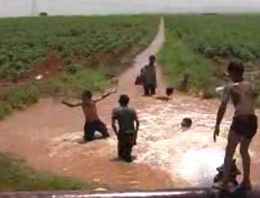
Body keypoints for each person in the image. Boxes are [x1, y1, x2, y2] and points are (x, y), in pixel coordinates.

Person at [213, 61, 258, 191]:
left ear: (233, 72)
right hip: (252, 120)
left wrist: (217, 125)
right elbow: (252, 97)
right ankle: (246, 181)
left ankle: (225, 182)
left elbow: (222, 107)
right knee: (244, 150)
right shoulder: (249, 85)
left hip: (240, 119)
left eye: (230, 73)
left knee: (229, 151)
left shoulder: (230, 87)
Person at [112, 95, 140, 163]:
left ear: (119, 101)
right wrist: (135, 133)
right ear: (128, 102)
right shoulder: (132, 110)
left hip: (122, 133)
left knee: (121, 156)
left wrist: (117, 134)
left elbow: (113, 124)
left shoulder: (116, 110)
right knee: (128, 156)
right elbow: (137, 122)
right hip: (131, 133)